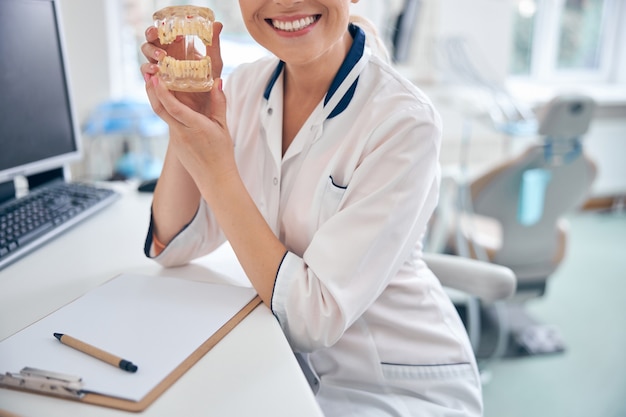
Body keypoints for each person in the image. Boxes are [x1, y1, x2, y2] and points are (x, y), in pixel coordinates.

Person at [140, 1, 483, 415]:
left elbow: (311, 318)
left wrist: (217, 171)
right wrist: (187, 114)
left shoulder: (404, 121)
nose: (285, 2)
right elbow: (173, 244)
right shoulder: (245, 88)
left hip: (393, 386)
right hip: (289, 368)